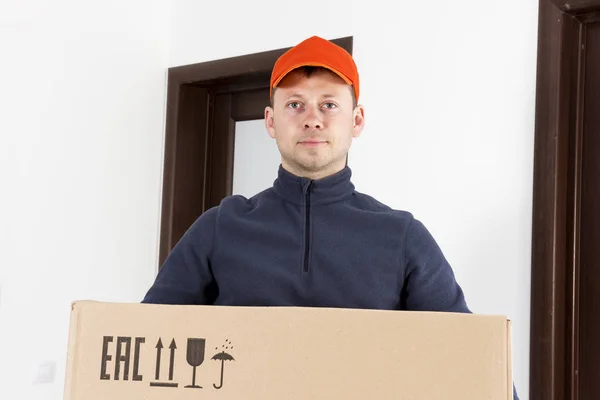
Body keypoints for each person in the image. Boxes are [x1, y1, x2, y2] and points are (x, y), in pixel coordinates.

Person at [141, 35, 519, 399]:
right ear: (270, 122)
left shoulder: (402, 236)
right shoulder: (220, 227)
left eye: (329, 105)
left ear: (356, 120)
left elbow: (471, 358)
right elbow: (146, 343)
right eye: (295, 105)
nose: (312, 120)